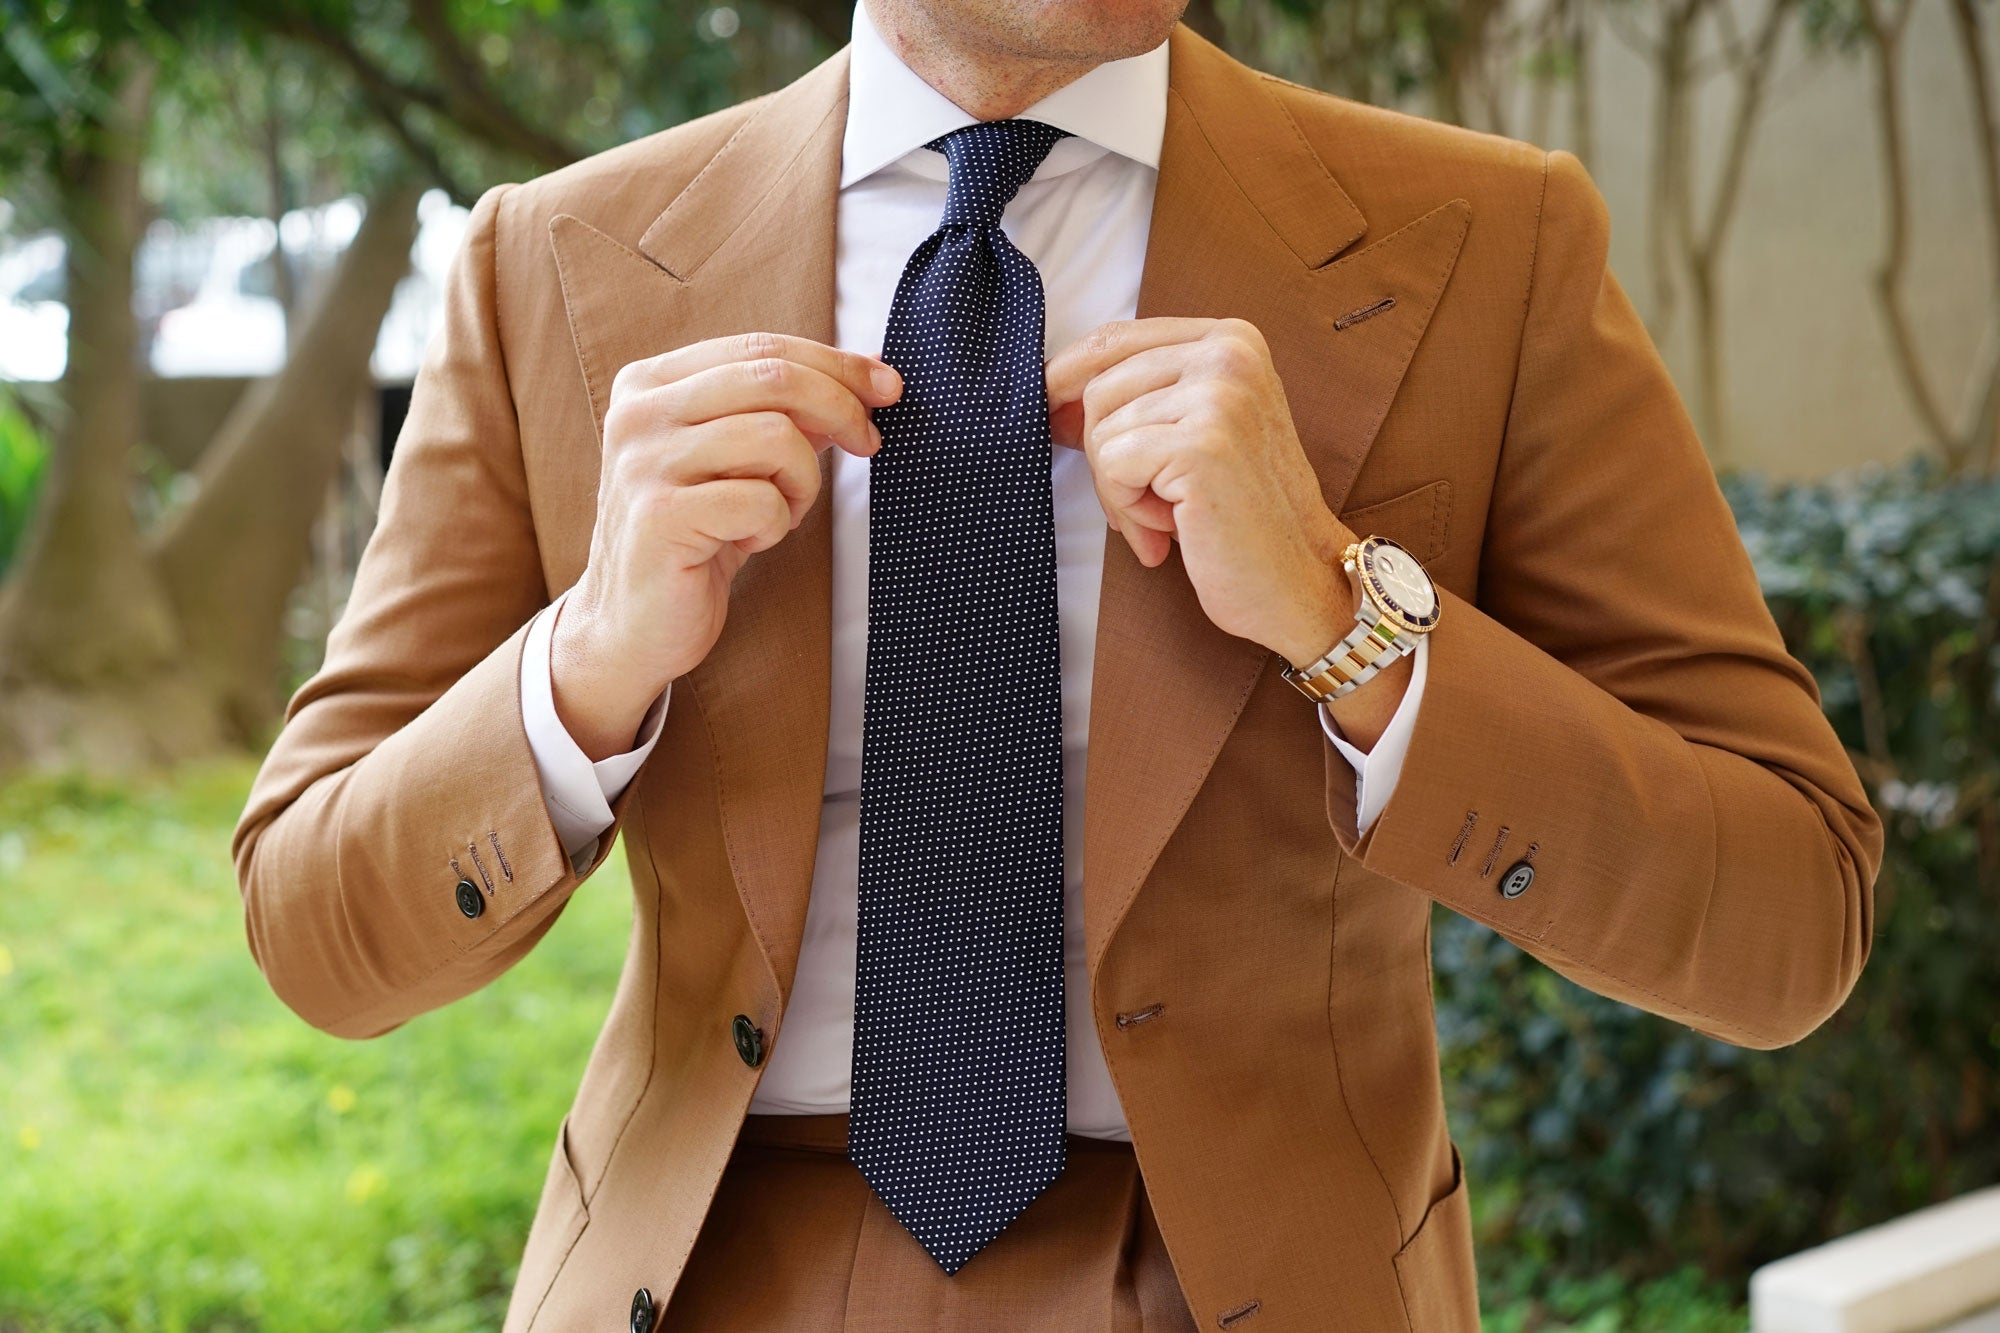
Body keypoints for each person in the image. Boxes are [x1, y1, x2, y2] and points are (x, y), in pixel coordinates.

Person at [231, 0, 1884, 1328]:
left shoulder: (1487, 243)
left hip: (1249, 1272)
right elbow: (317, 933)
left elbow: (1787, 917)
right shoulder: (553, 261)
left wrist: (1346, 621)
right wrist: (587, 665)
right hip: (707, 1264)